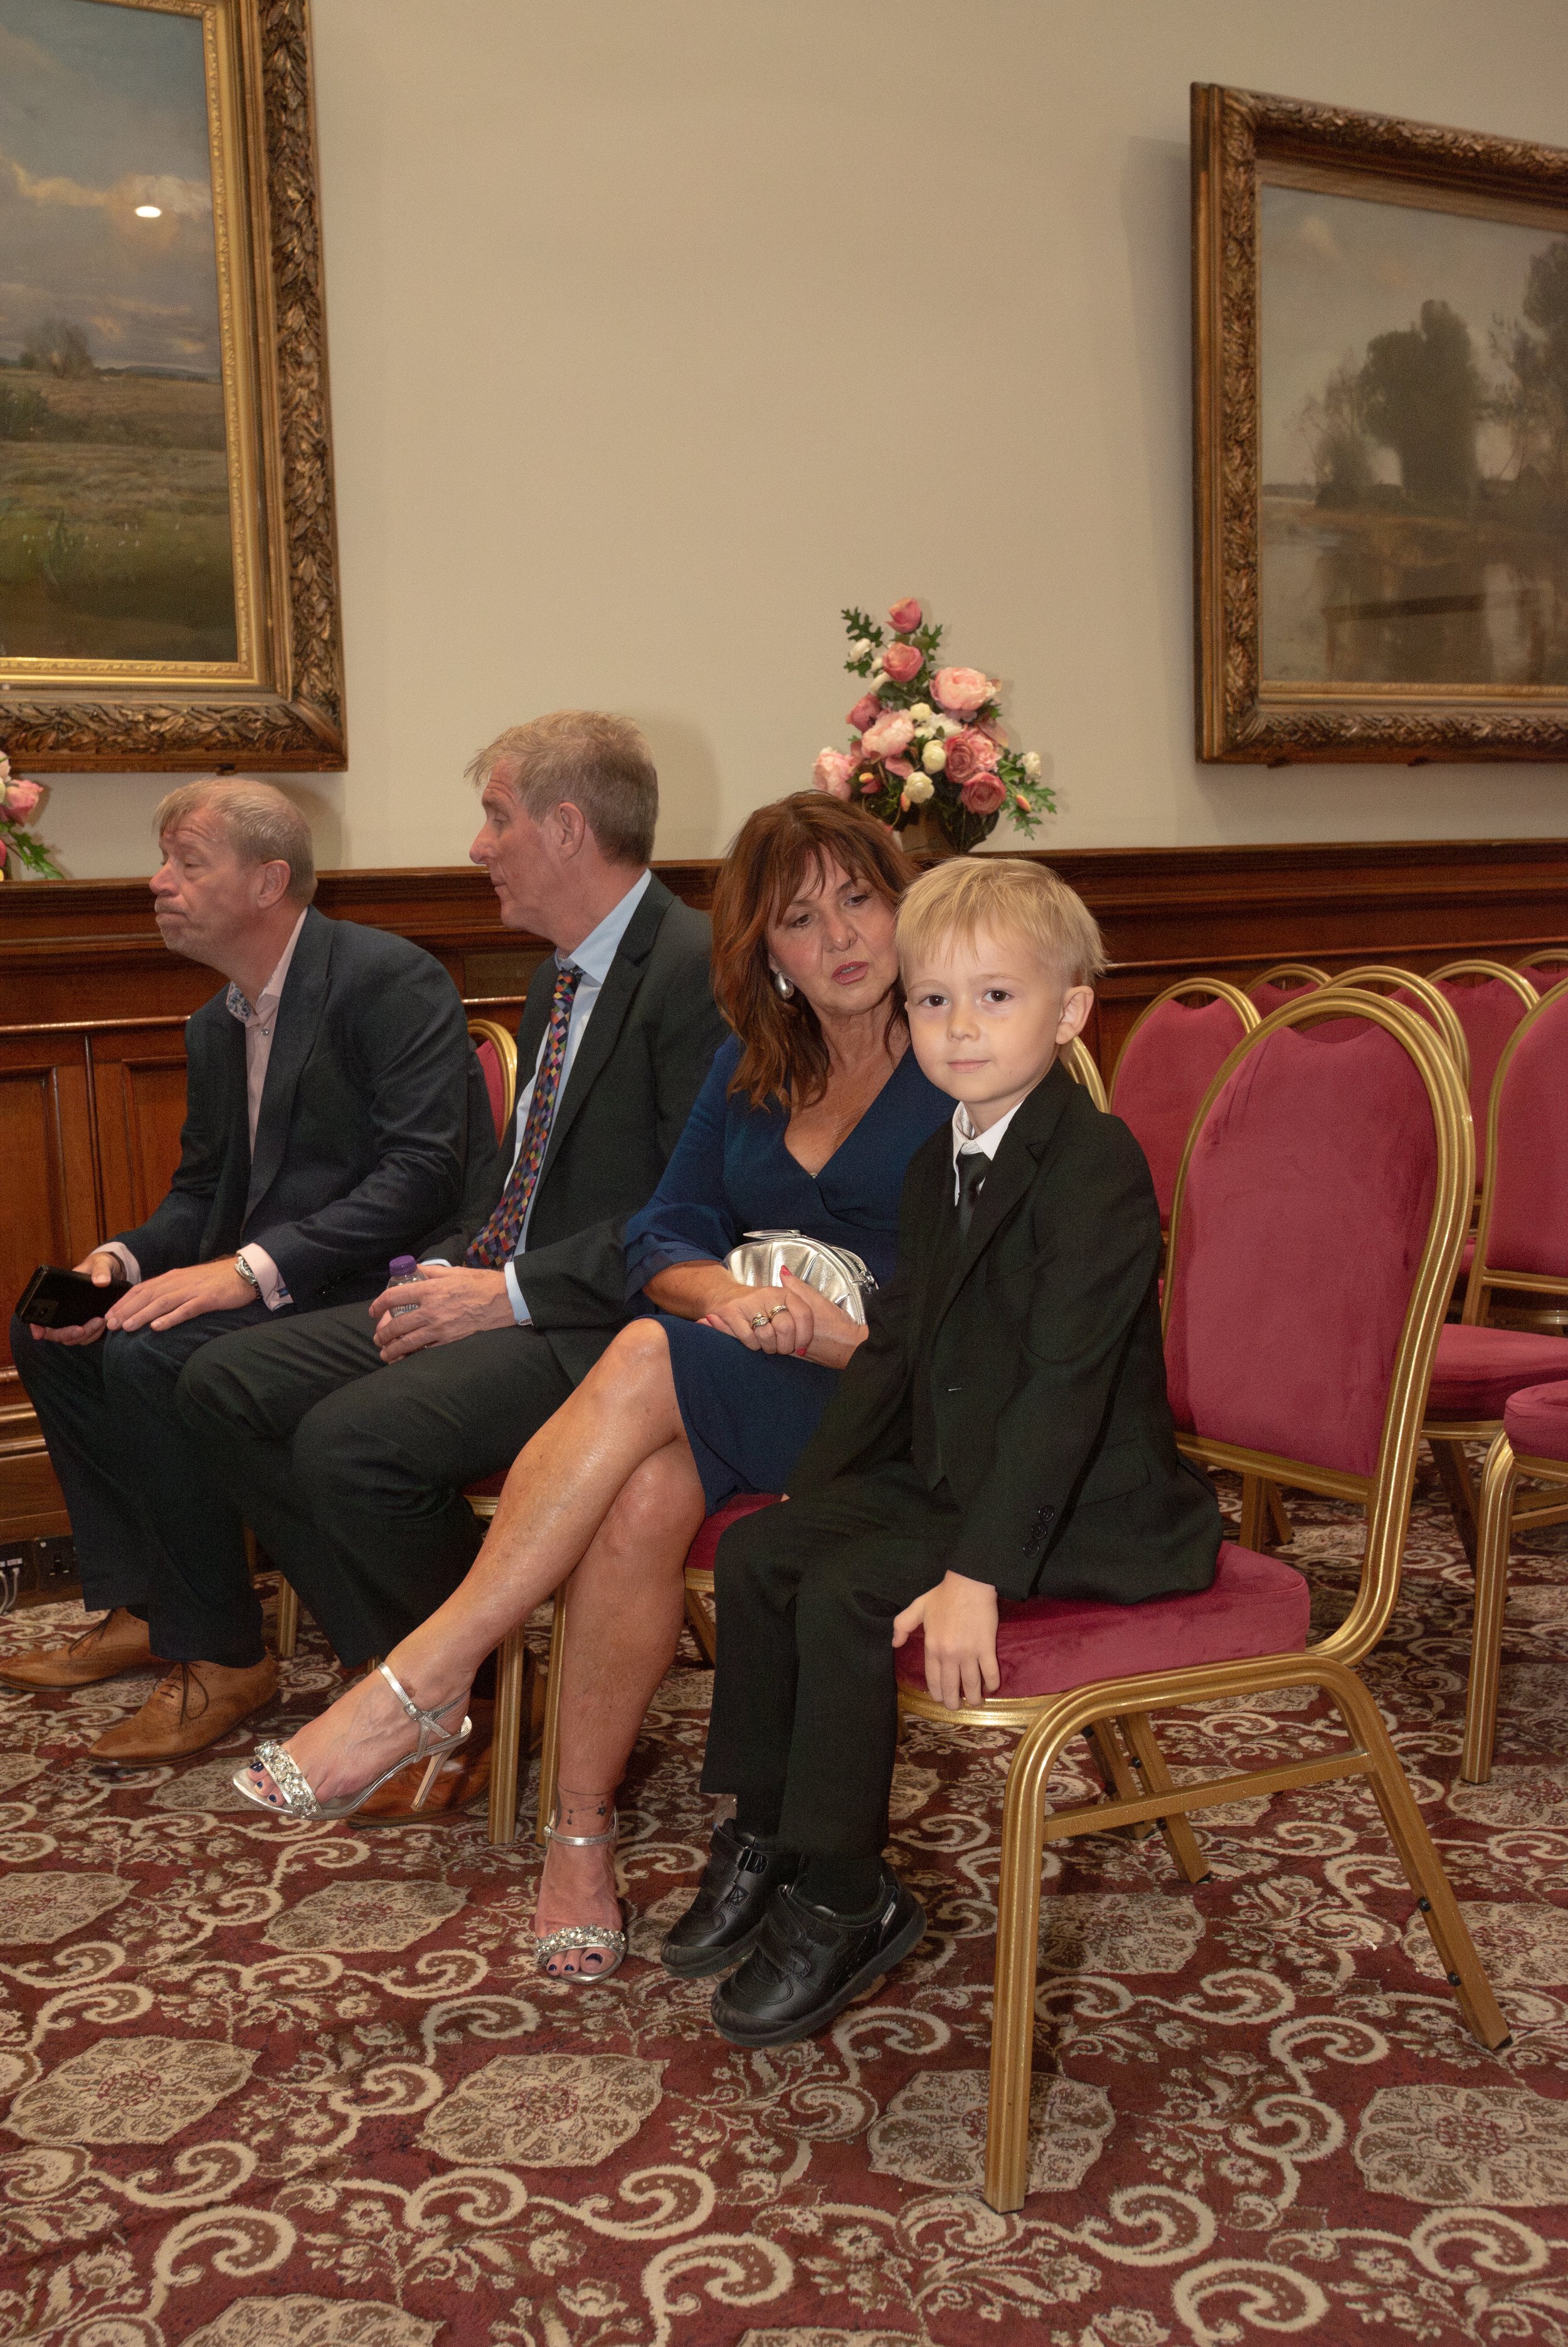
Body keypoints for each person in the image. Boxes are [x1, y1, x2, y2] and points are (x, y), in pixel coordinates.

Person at [228, 793, 954, 1978]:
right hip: (755, 1377)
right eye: (802, 919)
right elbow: (662, 1232)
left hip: (893, 1400)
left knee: (641, 1355)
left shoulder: (960, 1053)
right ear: (765, 950)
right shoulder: (753, 1061)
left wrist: (834, 1336)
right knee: (640, 1493)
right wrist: (726, 1297)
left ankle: (429, 1674)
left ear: (904, 900)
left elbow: (1002, 1282)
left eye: (860, 900)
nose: (842, 939)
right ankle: (578, 1838)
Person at [661, 854, 1225, 2048]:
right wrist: (823, 1489)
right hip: (967, 1464)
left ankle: (845, 1891)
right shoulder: (939, 1158)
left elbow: (1066, 1394)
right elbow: (903, 1347)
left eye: (997, 998)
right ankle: (768, 1827)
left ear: (1071, 1009)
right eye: (933, 1000)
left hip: (1089, 1504)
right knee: (773, 1552)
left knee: (853, 1591)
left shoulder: (1096, 1164)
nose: (959, 1029)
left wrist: (977, 1574)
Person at [174, 713, 726, 1801]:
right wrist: (440, 1274)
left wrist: (507, 1292)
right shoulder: (554, 978)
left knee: (350, 1443)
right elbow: (507, 1180)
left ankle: (472, 1698)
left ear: (568, 828)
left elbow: (695, 1216)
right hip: (505, 1291)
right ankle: (436, 1681)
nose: (478, 846)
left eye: (496, 816)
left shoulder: (695, 970)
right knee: (221, 1381)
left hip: (612, 1326)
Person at [1, 780, 495, 1764]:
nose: (158, 882)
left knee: (152, 1356)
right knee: (53, 1330)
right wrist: (125, 1257)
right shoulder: (214, 1023)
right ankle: (153, 1599)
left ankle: (223, 1655)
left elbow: (421, 1174)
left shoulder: (386, 978)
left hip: (395, 1280)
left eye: (188, 862)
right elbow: (201, 1195)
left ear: (269, 880)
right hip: (285, 1285)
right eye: (165, 861)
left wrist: (248, 1269)